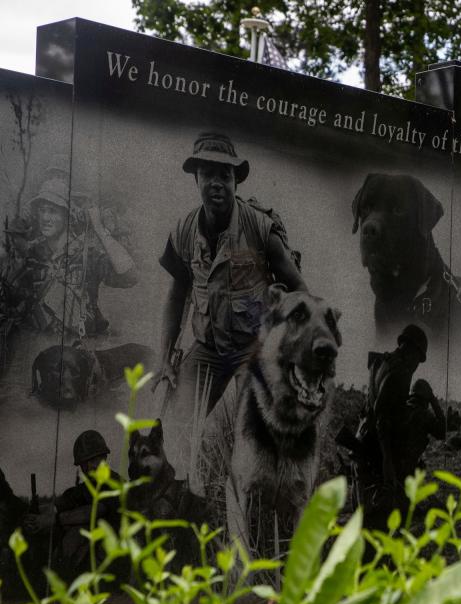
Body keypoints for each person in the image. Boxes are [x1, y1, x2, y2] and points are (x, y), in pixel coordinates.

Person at [158, 132, 306, 419]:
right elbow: (176, 295)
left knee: (250, 430)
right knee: (175, 428)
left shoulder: (260, 228)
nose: (216, 184)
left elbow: (299, 288)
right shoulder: (183, 232)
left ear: (235, 181)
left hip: (254, 348)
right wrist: (165, 358)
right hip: (208, 349)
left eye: (225, 175)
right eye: (208, 174)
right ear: (196, 179)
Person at [0, 169, 138, 341]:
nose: (46, 217)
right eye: (42, 210)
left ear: (67, 215)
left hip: (76, 352)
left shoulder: (87, 255)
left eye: (53, 211)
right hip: (35, 348)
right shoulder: (31, 255)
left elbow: (130, 276)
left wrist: (101, 231)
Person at [353, 324, 431, 529]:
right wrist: (388, 461)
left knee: (366, 521)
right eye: (418, 358)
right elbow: (382, 415)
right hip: (376, 453)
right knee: (378, 527)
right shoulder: (400, 372)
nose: (417, 365)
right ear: (409, 349)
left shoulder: (382, 362)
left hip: (364, 445)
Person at [23, 430, 122, 583]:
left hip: (114, 556)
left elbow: (91, 512)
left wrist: (53, 519)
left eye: (93, 460)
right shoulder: (84, 488)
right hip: (93, 556)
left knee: (74, 534)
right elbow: (61, 504)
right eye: (84, 462)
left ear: (104, 457)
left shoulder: (116, 484)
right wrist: (36, 515)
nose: (88, 466)